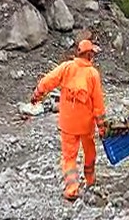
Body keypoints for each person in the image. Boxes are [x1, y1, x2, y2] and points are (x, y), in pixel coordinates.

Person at [30, 40, 106, 201]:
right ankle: (90, 180)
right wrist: (102, 126)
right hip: (86, 124)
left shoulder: (67, 67)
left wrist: (37, 95)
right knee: (89, 151)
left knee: (69, 157)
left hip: (68, 123)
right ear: (90, 55)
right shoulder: (93, 74)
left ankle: (72, 188)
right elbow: (98, 104)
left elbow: (48, 81)